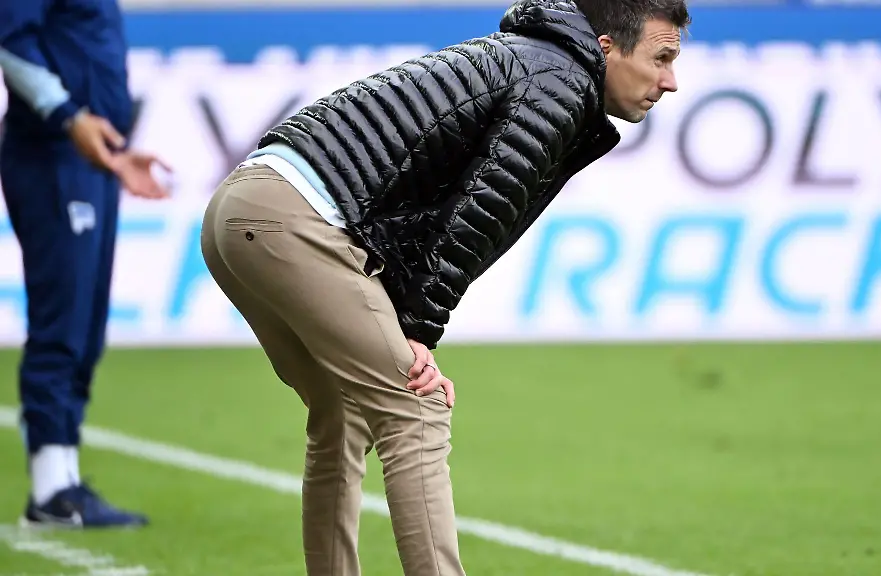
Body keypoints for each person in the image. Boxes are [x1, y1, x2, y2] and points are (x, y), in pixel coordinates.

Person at [200, 0, 687, 573]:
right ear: (606, 47)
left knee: (343, 413)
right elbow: (480, 211)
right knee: (417, 403)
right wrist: (416, 332)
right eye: (661, 58)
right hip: (295, 219)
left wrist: (404, 320)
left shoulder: (534, 59)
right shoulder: (559, 81)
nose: (670, 82)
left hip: (241, 209)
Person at [1, 0, 170, 528]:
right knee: (64, 322)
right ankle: (52, 489)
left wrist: (116, 152)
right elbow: (10, 40)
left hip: (89, 161)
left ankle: (63, 482)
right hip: (51, 155)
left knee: (86, 327)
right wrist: (69, 118)